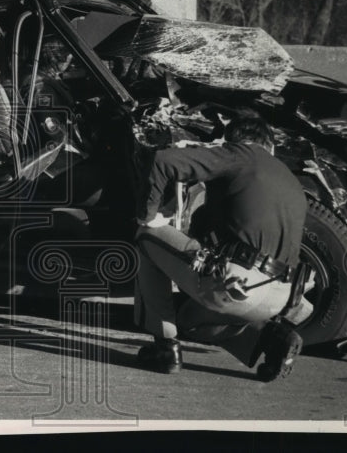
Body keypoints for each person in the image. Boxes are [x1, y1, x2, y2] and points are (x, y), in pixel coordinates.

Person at [133, 114, 313, 381]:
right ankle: (272, 338)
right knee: (189, 320)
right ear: (272, 146)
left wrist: (148, 215)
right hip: (281, 298)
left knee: (145, 235)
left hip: (238, 284)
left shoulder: (243, 154)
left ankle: (164, 349)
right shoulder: (290, 180)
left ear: (233, 141)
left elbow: (164, 161)